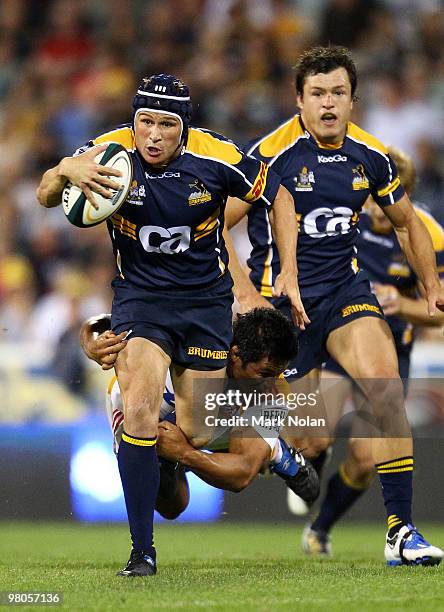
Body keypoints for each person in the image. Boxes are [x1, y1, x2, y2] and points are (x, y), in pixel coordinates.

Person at [37, 73, 306, 578]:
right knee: (138, 411)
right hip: (141, 301)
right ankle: (143, 552)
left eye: (166, 124)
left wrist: (287, 267)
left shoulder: (218, 156)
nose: (153, 134)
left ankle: (264, 447)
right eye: (145, 122)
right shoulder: (107, 153)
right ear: (133, 121)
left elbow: (282, 197)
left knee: (196, 433)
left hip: (205, 305)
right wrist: (64, 169)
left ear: (184, 127)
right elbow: (45, 195)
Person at [225, 47, 444, 566]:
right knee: (308, 434)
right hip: (284, 306)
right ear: (299, 99)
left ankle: (401, 532)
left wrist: (431, 284)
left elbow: (409, 222)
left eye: (338, 94)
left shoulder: (371, 155)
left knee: (383, 384)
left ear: (352, 99)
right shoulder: (268, 155)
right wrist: (244, 291)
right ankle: (294, 458)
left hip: (344, 292)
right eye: (318, 94)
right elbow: (214, 224)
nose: (328, 104)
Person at [300, 146, 444, 556]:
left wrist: (404, 305)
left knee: (365, 458)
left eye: (388, 202)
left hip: (391, 347)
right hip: (341, 333)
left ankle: (320, 528)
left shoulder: (428, 236)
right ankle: (312, 456)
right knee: (312, 431)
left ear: (406, 196)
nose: (379, 212)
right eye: (373, 200)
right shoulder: (346, 219)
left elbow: (439, 310)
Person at [80, 308, 319, 526]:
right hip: (143, 409)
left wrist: (184, 453)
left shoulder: (272, 392)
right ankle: (272, 452)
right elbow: (100, 322)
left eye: (276, 375)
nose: (272, 385)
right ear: (235, 354)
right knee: (173, 505)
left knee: (256, 453)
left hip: (217, 426)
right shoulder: (200, 333)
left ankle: (274, 452)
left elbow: (241, 474)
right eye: (265, 373)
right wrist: (92, 345)